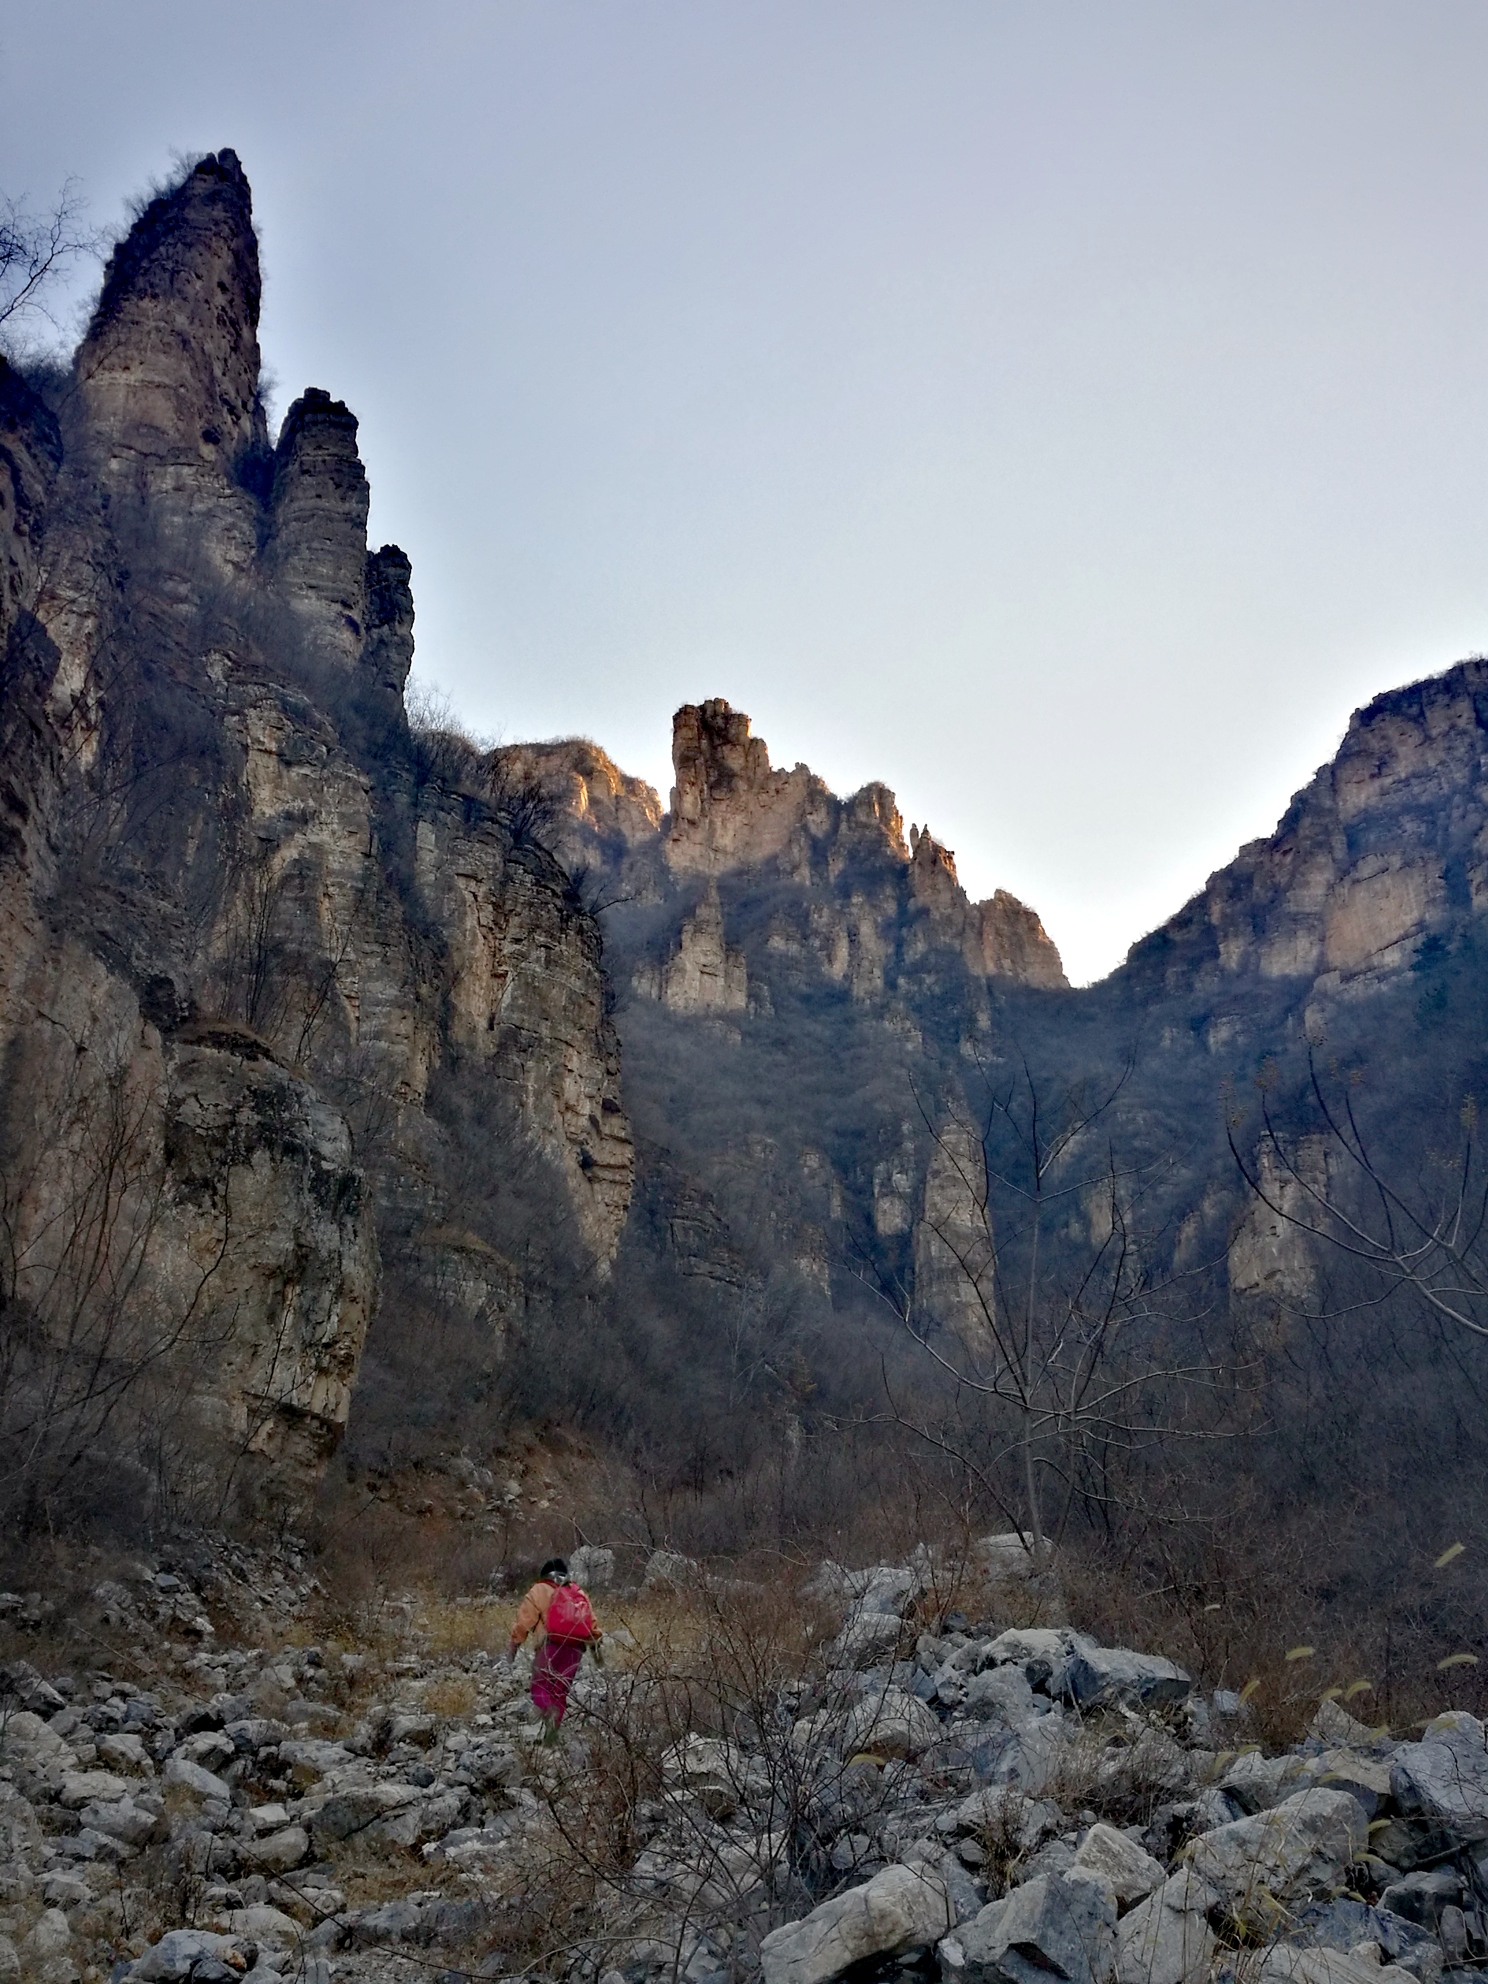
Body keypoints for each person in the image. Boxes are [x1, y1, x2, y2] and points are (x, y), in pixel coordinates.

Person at [507, 1556, 602, 1740]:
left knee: (539, 1688)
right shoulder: (578, 1592)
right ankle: (552, 1735)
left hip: (549, 1647)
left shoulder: (538, 1590)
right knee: (560, 1691)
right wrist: (598, 1656)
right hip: (575, 1650)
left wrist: (513, 1647)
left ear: (544, 1575)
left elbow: (524, 1622)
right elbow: (592, 1625)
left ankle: (544, 1720)